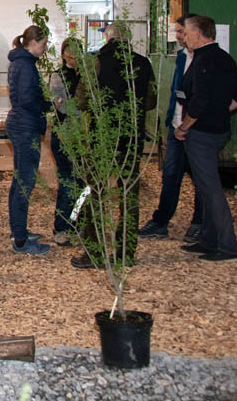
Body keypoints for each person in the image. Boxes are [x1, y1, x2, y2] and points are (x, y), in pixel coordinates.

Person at [72, 21, 154, 270]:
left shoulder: (95, 62)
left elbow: (81, 100)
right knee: (129, 194)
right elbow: (151, 101)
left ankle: (94, 253)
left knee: (97, 193)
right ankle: (126, 252)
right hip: (132, 137)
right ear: (128, 40)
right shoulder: (143, 63)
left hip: (103, 137)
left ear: (107, 39)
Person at [176, 14, 237, 262]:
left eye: (186, 32)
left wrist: (184, 127)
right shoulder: (223, 58)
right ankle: (208, 240)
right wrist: (219, 113)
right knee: (205, 188)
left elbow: (199, 101)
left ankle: (228, 247)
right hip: (217, 131)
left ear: (198, 33)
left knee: (212, 190)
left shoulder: (205, 60)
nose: (184, 37)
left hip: (202, 134)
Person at [140, 14, 203, 243]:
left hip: (196, 130)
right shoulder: (181, 57)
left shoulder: (205, 59)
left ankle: (199, 223)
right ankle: (160, 222)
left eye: (181, 32)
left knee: (200, 178)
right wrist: (172, 120)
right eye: (176, 32)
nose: (177, 36)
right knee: (170, 176)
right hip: (176, 127)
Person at [6, 25, 51, 255]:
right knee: (24, 183)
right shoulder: (25, 65)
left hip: (20, 124)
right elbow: (27, 99)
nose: (45, 48)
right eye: (43, 44)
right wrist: (48, 105)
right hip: (25, 126)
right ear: (33, 43)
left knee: (19, 182)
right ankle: (21, 241)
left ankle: (18, 231)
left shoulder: (20, 62)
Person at [47, 38, 83, 246]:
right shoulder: (57, 76)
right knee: (68, 182)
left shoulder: (88, 76)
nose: (73, 55)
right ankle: (60, 228)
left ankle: (76, 224)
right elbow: (61, 106)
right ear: (63, 54)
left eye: (77, 51)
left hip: (84, 137)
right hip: (64, 134)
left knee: (82, 183)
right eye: (69, 51)